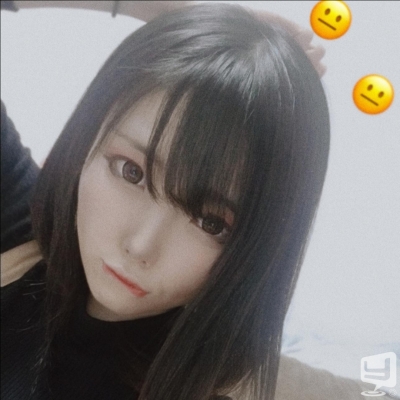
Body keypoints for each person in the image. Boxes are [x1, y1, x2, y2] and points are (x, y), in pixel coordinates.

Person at [1, 1, 377, 399]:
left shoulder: (250, 387)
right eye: (131, 172)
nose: (140, 246)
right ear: (88, 135)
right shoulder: (18, 232)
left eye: (210, 223)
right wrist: (181, 17)